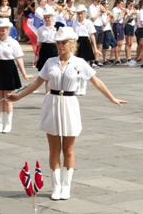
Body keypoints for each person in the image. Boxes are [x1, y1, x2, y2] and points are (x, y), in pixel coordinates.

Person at [8, 27, 127, 200]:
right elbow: (36, 83)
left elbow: (96, 81)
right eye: (58, 42)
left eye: (64, 42)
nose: (61, 45)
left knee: (68, 149)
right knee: (54, 149)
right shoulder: (50, 62)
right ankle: (56, 186)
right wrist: (19, 96)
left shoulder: (79, 62)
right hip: (52, 103)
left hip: (70, 104)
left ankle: (66, 186)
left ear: (72, 44)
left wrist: (112, 98)